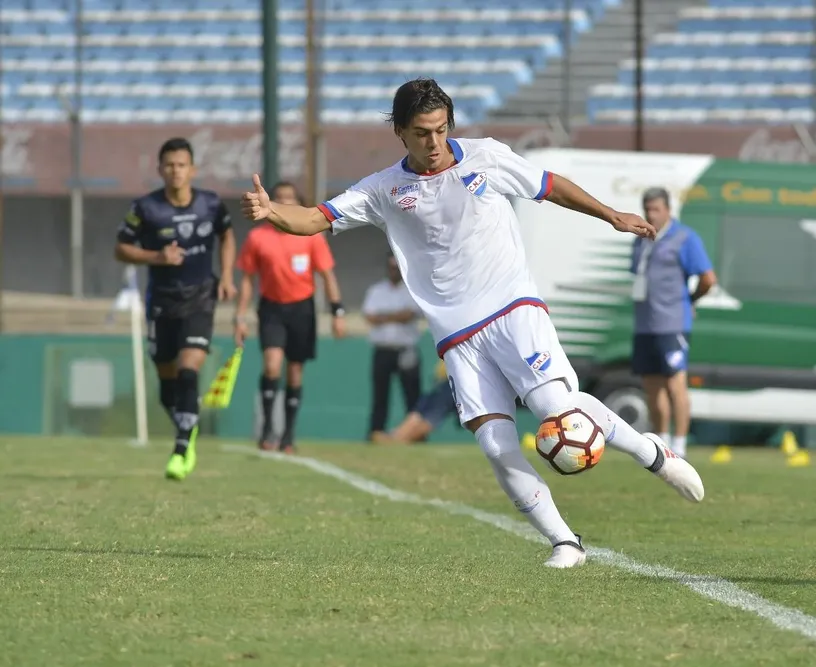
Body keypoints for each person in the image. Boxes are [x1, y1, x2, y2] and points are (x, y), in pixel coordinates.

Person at [240, 78, 705, 568]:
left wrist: (610, 215)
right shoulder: (383, 189)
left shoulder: (486, 156)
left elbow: (549, 186)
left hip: (512, 306)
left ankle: (654, 455)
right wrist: (271, 211)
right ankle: (565, 543)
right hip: (456, 334)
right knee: (496, 443)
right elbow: (315, 218)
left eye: (441, 129)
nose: (434, 142)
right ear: (400, 132)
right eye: (422, 133)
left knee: (555, 407)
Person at [115, 137, 236, 481]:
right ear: (160, 169)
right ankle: (188, 424)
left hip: (200, 297)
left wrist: (227, 275)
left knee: (188, 369)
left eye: (181, 165)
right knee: (167, 385)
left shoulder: (211, 204)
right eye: (169, 165)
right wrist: (157, 256)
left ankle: (181, 448)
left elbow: (227, 235)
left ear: (192, 169)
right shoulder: (145, 208)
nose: (175, 171)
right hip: (162, 301)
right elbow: (121, 249)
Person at [234, 181, 347, 453]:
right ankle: (267, 430)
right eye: (279, 197)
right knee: (272, 366)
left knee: (295, 372)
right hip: (271, 308)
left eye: (290, 198)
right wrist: (240, 316)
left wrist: (337, 312)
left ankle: (288, 435)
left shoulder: (311, 236)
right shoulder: (257, 237)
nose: (284, 202)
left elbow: (327, 275)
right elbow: (248, 280)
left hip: (302, 309)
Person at [630, 188, 716, 459]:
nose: (651, 214)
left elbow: (708, 279)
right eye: (647, 209)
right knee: (651, 386)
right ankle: (661, 442)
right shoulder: (640, 239)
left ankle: (680, 444)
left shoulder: (684, 238)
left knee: (675, 384)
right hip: (645, 324)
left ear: (668, 210)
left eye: (656, 209)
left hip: (673, 324)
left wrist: (691, 300)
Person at [361, 253, 423, 441]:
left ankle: (416, 435)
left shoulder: (413, 290)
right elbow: (370, 316)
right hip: (383, 350)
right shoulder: (376, 290)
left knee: (412, 395)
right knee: (380, 395)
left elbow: (409, 315)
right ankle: (376, 432)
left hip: (406, 350)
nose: (394, 271)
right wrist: (396, 316)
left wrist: (384, 317)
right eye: (391, 268)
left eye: (397, 268)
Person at [373, 361, 457, 444]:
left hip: (456, 381)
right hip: (445, 380)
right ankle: (397, 435)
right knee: (420, 409)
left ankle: (402, 439)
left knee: (432, 413)